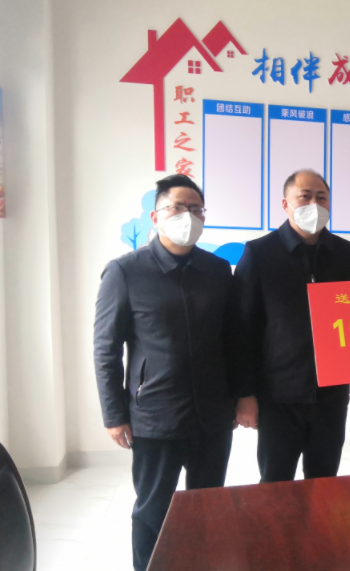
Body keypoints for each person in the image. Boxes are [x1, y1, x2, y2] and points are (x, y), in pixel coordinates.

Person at [93, 174, 236, 571]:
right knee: (153, 509)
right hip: (155, 415)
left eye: (195, 209)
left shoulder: (217, 270)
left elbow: (233, 339)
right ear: (156, 216)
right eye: (177, 207)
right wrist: (114, 414)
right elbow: (106, 348)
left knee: (208, 503)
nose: (187, 215)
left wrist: (240, 397)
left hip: (212, 414)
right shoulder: (125, 271)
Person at [231, 169, 350, 482]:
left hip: (332, 396)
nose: (314, 204)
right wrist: (245, 394)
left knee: (324, 482)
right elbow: (242, 331)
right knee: (275, 483)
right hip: (278, 396)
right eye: (305, 196)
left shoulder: (347, 254)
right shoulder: (259, 253)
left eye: (321, 197)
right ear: (285, 203)